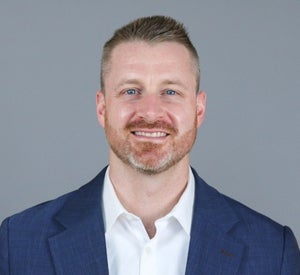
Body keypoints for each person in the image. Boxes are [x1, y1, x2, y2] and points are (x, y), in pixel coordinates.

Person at [0, 15, 299, 275]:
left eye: (170, 91)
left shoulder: (274, 252)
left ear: (199, 109)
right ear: (102, 108)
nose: (151, 112)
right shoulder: (19, 242)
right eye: (131, 90)